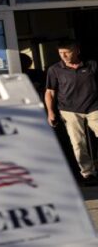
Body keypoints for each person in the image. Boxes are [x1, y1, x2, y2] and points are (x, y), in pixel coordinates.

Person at [45, 39, 98, 185]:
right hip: (69, 110)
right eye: (60, 53)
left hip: (94, 107)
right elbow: (50, 92)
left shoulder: (92, 65)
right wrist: (50, 112)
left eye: (67, 52)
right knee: (78, 143)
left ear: (76, 50)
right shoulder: (55, 69)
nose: (64, 55)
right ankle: (88, 173)